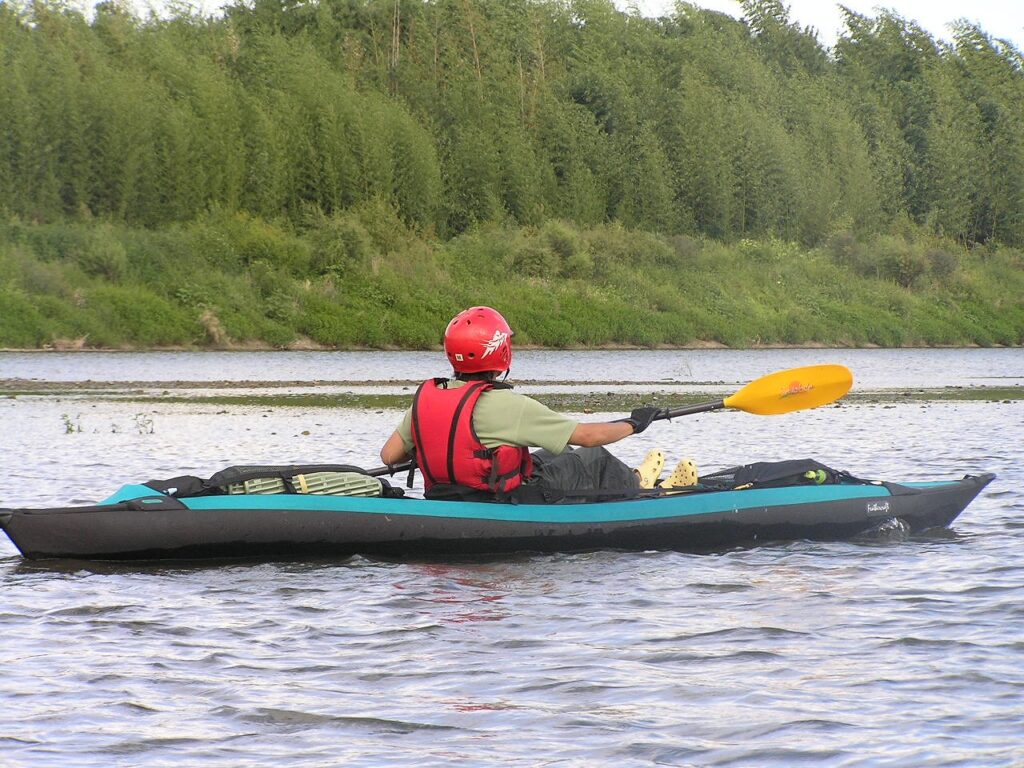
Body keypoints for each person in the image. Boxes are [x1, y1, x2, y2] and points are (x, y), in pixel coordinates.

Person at [379, 306, 697, 502]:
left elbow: (389, 455)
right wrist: (634, 423)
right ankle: (646, 488)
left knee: (556, 453)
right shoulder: (506, 404)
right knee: (592, 457)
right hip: (500, 501)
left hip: (449, 495)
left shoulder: (426, 401)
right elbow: (588, 437)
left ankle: (634, 476)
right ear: (500, 353)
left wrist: (441, 449)